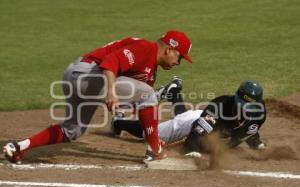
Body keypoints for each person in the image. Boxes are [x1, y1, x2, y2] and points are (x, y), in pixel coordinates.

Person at [3, 30, 193, 164]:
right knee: (148, 94)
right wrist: (111, 92)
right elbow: (111, 62)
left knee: (72, 131)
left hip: (80, 79)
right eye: (180, 57)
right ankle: (154, 152)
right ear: (169, 49)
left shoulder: (149, 73)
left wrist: (153, 134)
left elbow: (140, 105)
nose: (178, 62)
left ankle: (19, 147)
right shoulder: (145, 48)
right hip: (86, 74)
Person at [111, 79, 267, 158]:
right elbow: (197, 132)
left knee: (181, 115)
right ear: (236, 98)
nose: (245, 110)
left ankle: (173, 93)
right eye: (243, 105)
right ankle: (118, 122)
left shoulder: (259, 113)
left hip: (204, 118)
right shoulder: (220, 105)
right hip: (193, 124)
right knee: (151, 133)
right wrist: (192, 150)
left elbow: (248, 129)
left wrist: (257, 144)